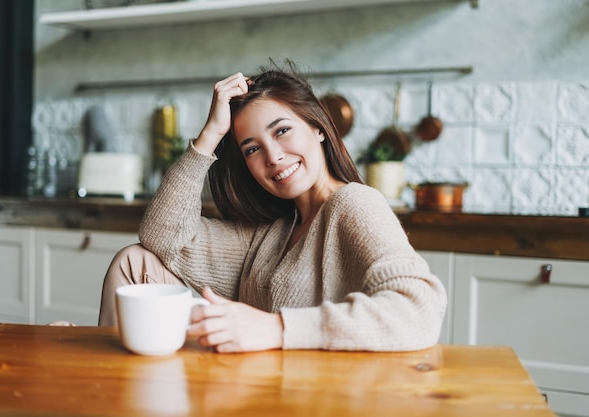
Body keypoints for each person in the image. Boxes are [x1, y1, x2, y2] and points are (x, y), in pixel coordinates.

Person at [98, 60, 447, 353]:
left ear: (317, 128)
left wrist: (277, 328)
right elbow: (161, 237)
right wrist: (210, 135)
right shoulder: (275, 230)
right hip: (257, 388)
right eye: (252, 149)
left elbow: (419, 309)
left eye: (281, 131)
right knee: (134, 261)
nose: (273, 157)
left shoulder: (353, 203)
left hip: (320, 399)